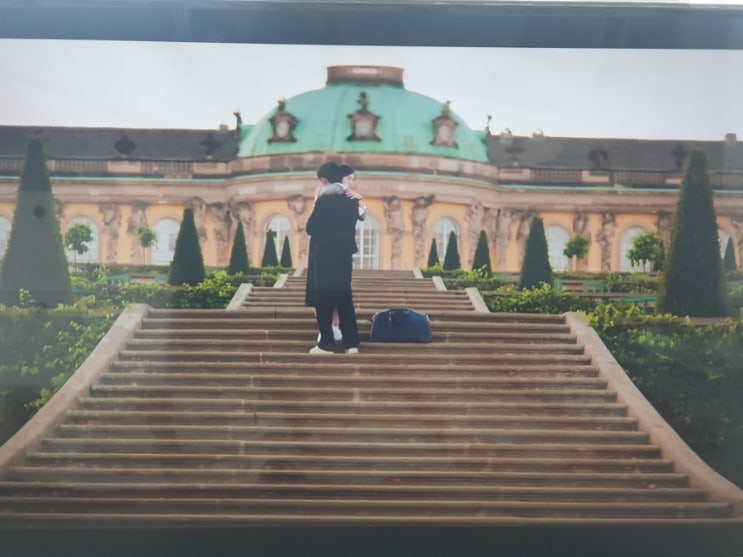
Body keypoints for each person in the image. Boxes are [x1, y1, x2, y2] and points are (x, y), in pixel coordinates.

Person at [305, 162, 364, 354]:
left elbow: (311, 227)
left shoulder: (325, 198)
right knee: (345, 298)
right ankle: (352, 344)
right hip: (344, 255)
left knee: (323, 299)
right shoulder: (351, 199)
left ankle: (326, 344)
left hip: (325, 255)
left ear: (324, 180)